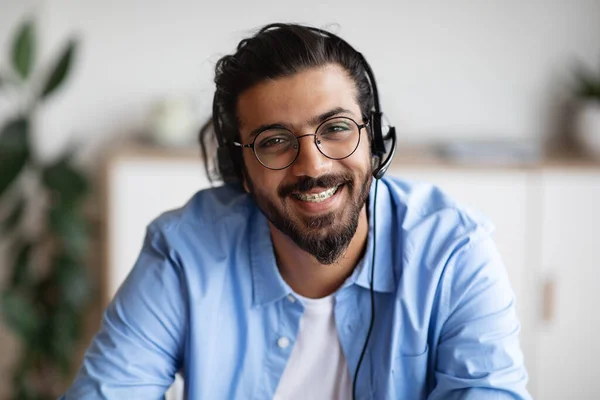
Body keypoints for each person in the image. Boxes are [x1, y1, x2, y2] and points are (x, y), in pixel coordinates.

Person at [61, 23, 531, 399]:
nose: (313, 165)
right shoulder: (184, 250)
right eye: (274, 141)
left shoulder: (455, 252)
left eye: (337, 128)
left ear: (376, 140)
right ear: (240, 170)